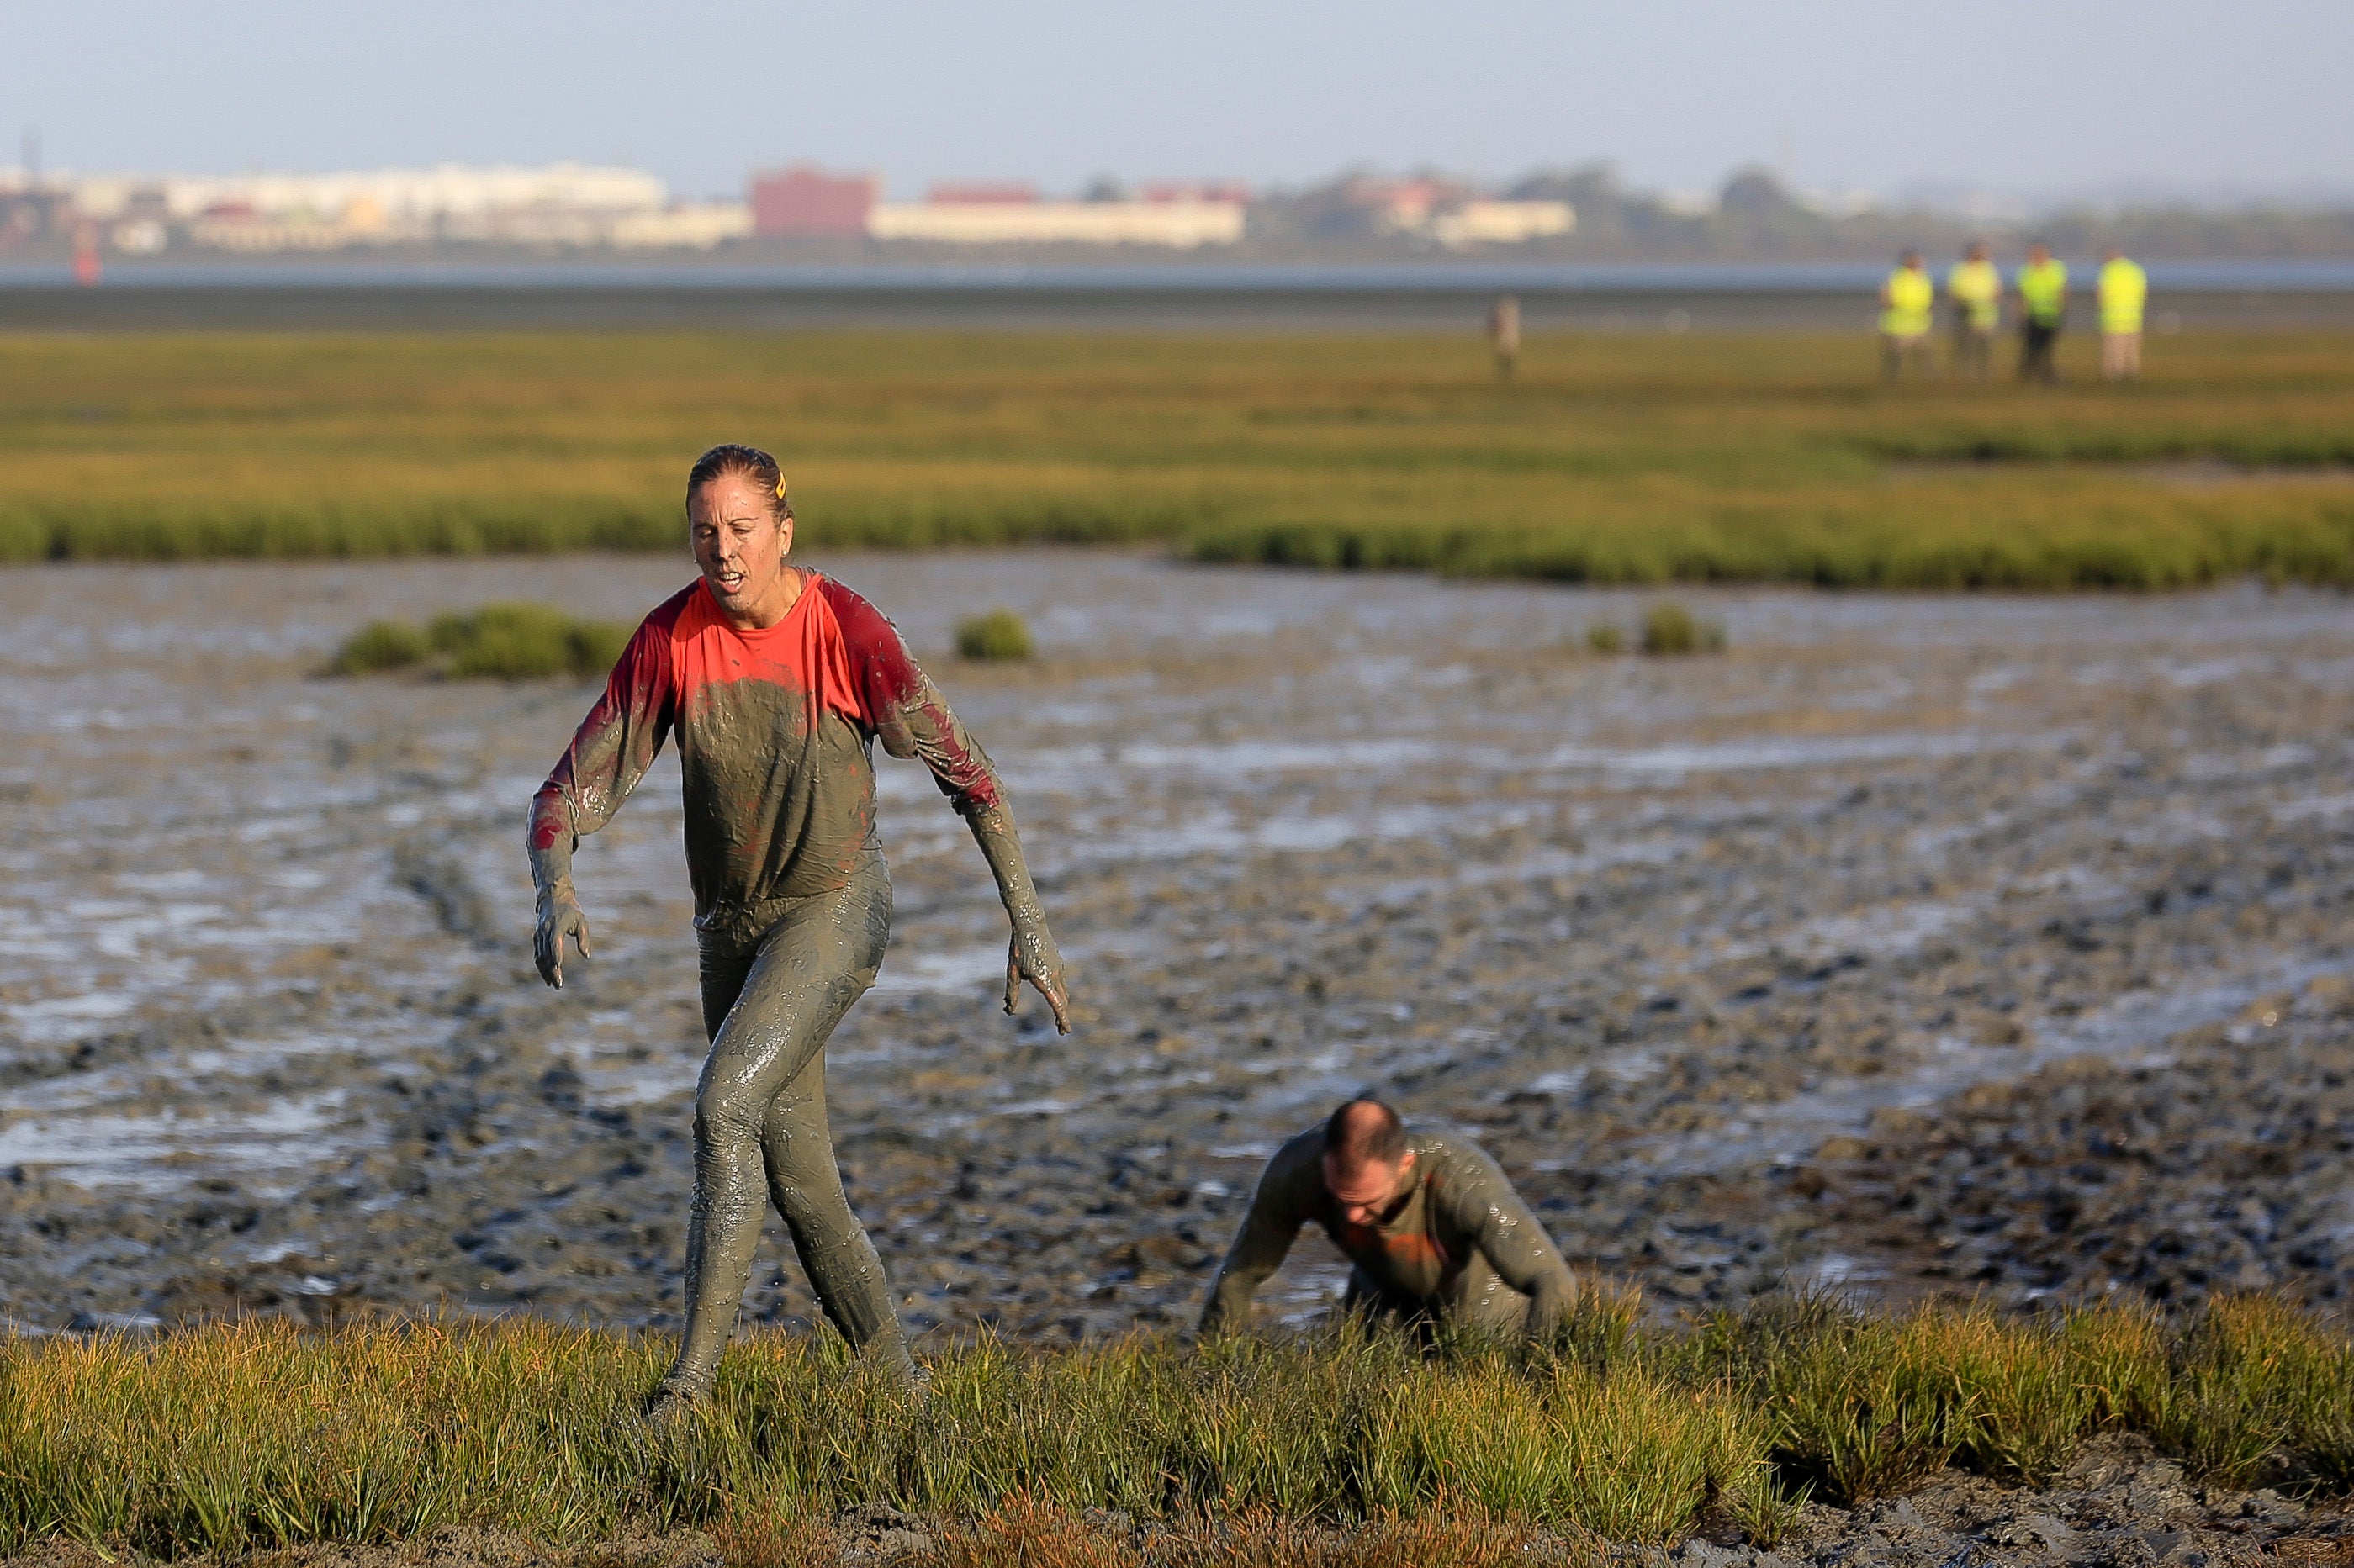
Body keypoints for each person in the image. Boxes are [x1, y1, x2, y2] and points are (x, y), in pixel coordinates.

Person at [527, 443, 1071, 1416]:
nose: (723, 551)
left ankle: (685, 1395)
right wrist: (553, 885)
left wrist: (1026, 921)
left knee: (719, 1107)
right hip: (729, 931)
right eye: (705, 532)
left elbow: (970, 770)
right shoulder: (671, 637)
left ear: (784, 528)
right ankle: (908, 1397)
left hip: (836, 908)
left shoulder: (845, 627)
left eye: (741, 529)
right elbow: (563, 790)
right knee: (803, 1183)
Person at [1198, 1097, 1578, 1341]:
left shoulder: (1460, 1177)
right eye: (1338, 1198)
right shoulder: (1296, 1172)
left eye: (1365, 1202)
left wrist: (1542, 1376)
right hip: (1379, 1290)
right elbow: (1241, 1273)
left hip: (1478, 1302)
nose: (1350, 1215)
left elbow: (1552, 1279)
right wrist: (1214, 1367)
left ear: (1404, 1165)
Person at [1946, 240, 2002, 380]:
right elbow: (1953, 292)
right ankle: (1964, 374)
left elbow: (1997, 291)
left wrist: (1989, 301)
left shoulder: (1989, 269)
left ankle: (1984, 374)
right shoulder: (1960, 270)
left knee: (1985, 348)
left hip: (1986, 316)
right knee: (1965, 347)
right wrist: (1965, 304)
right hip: (1966, 315)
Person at [1877, 251, 1936, 382]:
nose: (1919, 263)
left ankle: (1932, 381)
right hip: (1899, 326)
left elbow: (1928, 299)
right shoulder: (1896, 277)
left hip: (1920, 325)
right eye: (1915, 260)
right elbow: (1886, 298)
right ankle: (1890, 381)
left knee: (1924, 354)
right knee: (1895, 355)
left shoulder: (1924, 277)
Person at [2014, 241, 2069, 383]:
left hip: (2051, 315)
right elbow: (2022, 293)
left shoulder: (2056, 268)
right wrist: (2021, 312)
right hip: (2033, 315)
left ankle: (2046, 372)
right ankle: (2030, 371)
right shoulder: (2026, 271)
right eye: (2034, 254)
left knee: (2048, 346)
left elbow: (2063, 290)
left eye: (2039, 254)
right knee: (2032, 345)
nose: (2037, 257)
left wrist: (2062, 308)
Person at [2097, 245, 2148, 382]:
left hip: (2113, 319)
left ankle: (2114, 377)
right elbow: (2143, 293)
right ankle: (2132, 376)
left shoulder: (2108, 270)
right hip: (2133, 318)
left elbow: (2101, 294)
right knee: (2132, 351)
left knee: (2114, 351)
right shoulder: (2136, 270)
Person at [1486, 293, 1521, 379]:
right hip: (1507, 335)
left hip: (1508, 335)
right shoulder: (1510, 312)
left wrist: (1492, 330)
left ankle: (1507, 371)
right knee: (1505, 353)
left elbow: (1497, 322)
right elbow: (1497, 322)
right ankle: (1505, 371)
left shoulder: (1505, 312)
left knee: (1507, 353)